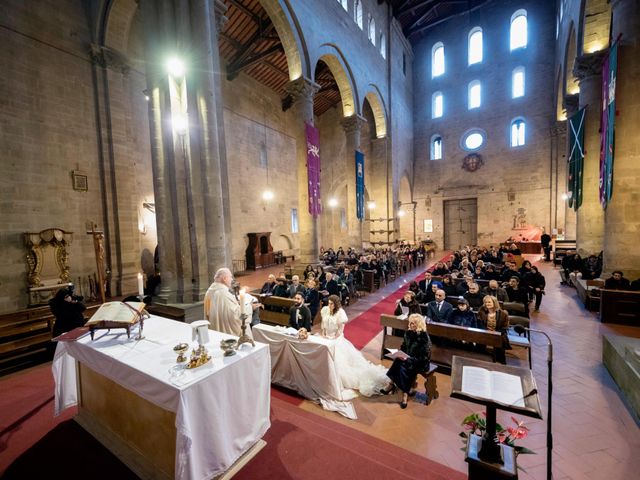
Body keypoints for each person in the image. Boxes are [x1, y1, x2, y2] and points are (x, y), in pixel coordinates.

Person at [320, 295, 388, 397]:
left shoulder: (340, 313)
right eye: (328, 303)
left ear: (336, 304)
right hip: (326, 338)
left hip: (336, 339)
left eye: (331, 304)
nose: (329, 305)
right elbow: (323, 324)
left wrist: (332, 339)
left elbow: (340, 331)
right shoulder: (325, 310)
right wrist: (324, 335)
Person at [380, 314, 432, 409]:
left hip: (420, 362)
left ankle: (405, 393)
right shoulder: (408, 333)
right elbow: (403, 347)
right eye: (410, 323)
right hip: (408, 358)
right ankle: (391, 384)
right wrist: (399, 353)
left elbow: (424, 357)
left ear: (419, 324)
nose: (411, 325)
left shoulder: (424, 337)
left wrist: (409, 359)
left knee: (406, 366)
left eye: (413, 323)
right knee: (398, 361)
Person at [204, 268, 253, 338]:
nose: (232, 279)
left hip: (215, 328)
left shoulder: (209, 291)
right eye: (230, 277)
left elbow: (208, 312)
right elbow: (235, 316)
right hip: (226, 334)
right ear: (224, 278)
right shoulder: (224, 294)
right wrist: (249, 307)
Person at [477, 295, 510, 364]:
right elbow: (479, 323)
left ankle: (499, 361)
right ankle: (481, 359)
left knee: (499, 341)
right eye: (486, 302)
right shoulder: (481, 311)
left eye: (489, 302)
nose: (487, 304)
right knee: (479, 341)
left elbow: (505, 327)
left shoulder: (503, 314)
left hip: (498, 333)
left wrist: (495, 332)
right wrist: (485, 331)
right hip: (485, 332)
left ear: (494, 303)